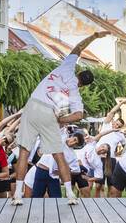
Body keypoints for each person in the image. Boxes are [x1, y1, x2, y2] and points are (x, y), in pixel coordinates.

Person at [11, 32, 104, 206]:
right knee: (59, 156)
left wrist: (94, 36)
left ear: (79, 71)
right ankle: (70, 194)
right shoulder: (74, 94)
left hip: (32, 106)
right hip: (48, 113)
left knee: (24, 153)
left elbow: (78, 47)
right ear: (84, 85)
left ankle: (17, 194)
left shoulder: (66, 67)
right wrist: (62, 120)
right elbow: (79, 115)